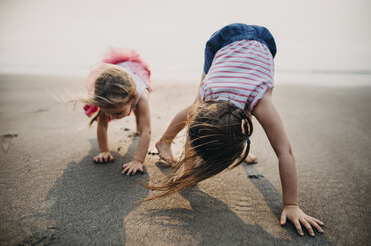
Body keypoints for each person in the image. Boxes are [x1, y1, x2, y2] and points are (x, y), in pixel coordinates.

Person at [153, 23, 324, 236]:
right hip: (221, 46)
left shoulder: (260, 100)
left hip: (261, 43)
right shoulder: (208, 93)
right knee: (194, 109)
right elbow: (193, 130)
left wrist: (291, 204)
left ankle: (230, 138)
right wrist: (189, 170)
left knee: (207, 109)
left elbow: (285, 152)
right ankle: (164, 141)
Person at [79, 47, 152, 175]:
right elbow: (102, 124)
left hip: (134, 70)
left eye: (118, 113)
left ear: (133, 98)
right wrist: (104, 151)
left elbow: (147, 131)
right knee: (102, 115)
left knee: (140, 115)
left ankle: (137, 125)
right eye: (108, 112)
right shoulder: (106, 98)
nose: (112, 117)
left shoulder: (141, 97)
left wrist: (138, 160)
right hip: (113, 76)